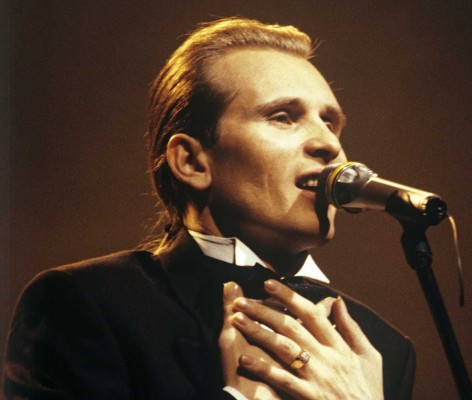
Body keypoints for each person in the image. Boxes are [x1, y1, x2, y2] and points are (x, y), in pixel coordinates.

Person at [2, 17, 416, 400]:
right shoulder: (88, 303)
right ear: (192, 162)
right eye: (283, 117)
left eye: (330, 122)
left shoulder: (380, 347)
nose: (329, 145)